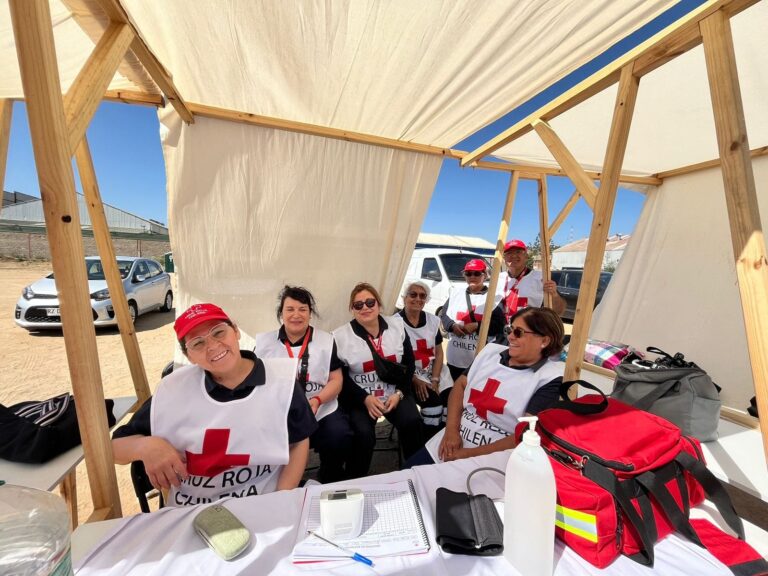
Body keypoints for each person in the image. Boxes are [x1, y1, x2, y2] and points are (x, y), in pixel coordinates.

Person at [112, 303, 317, 506]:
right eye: (197, 343)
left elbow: (299, 440)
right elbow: (113, 449)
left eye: (218, 332)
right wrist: (146, 446)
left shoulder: (282, 381)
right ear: (188, 355)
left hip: (263, 502)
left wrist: (280, 498)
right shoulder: (172, 391)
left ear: (235, 331)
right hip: (192, 510)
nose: (212, 346)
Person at [407, 306, 565, 466]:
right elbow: (460, 386)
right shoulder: (490, 353)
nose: (510, 337)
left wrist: (468, 455)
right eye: (510, 329)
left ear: (544, 341)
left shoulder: (549, 378)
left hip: (492, 459)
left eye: (519, 332)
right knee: (405, 475)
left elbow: (526, 432)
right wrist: (451, 431)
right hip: (451, 440)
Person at [252, 286, 353, 483]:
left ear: (310, 313)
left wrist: (317, 399)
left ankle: (328, 476)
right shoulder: (265, 343)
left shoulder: (326, 340)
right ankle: (285, 484)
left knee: (340, 434)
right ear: (281, 313)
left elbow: (336, 380)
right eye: (290, 309)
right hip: (280, 411)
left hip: (320, 407)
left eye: (302, 309)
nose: (296, 315)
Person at [334, 282, 424, 478]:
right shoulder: (340, 336)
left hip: (394, 391)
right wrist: (364, 399)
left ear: (379, 304)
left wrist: (400, 393)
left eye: (369, 302)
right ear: (352, 310)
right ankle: (355, 479)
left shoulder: (396, 325)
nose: (365, 308)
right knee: (363, 435)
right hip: (361, 396)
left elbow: (409, 363)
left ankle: (415, 473)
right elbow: (340, 378)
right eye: (358, 305)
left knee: (412, 421)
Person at [398, 281, 451, 438]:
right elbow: (394, 360)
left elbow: (439, 353)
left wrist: (435, 379)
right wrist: (415, 380)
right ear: (404, 298)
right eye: (413, 294)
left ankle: (443, 440)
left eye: (422, 296)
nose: (418, 299)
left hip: (434, 371)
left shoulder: (433, 321)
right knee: (434, 406)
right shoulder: (394, 323)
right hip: (410, 375)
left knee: (451, 403)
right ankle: (427, 444)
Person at [439, 259, 505, 381]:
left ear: (485, 275)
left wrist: (477, 326)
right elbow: (444, 315)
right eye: (468, 274)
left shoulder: (494, 297)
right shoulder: (456, 293)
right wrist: (452, 326)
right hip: (455, 357)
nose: (472, 277)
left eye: (477, 273)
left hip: (479, 359)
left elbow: (499, 325)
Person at [497, 239, 565, 322]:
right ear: (504, 258)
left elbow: (559, 311)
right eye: (509, 253)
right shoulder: (497, 279)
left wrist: (554, 294)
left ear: (526, 256)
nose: (513, 256)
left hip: (528, 332)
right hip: (501, 332)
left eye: (518, 252)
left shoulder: (540, 278)